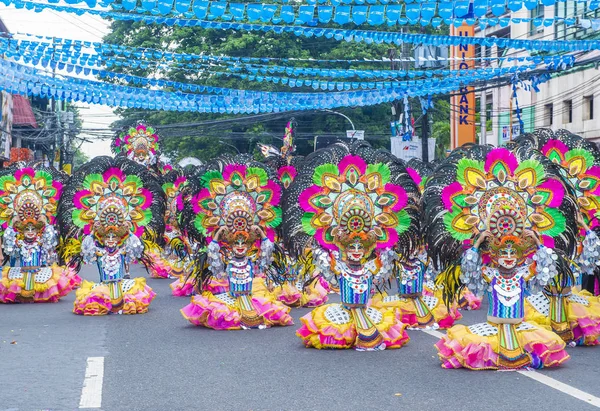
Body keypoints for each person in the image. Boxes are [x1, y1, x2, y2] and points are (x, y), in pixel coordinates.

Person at [427, 144, 575, 369]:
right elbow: (470, 270)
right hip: (493, 329)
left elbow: (546, 271)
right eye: (503, 253)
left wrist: (536, 241)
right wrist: (477, 242)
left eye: (512, 253)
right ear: (494, 257)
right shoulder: (489, 273)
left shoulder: (524, 274)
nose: (508, 258)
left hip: (519, 328)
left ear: (520, 256)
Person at [284, 141, 420, 350]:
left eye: (360, 247)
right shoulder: (337, 265)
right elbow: (322, 255)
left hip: (367, 310)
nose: (356, 252)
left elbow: (386, 260)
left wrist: (384, 244)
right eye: (351, 247)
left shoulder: (371, 266)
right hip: (343, 313)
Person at [180, 156, 293, 329]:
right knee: (218, 311)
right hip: (230, 298)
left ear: (249, 245)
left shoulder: (253, 263)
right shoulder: (227, 260)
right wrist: (216, 236)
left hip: (251, 298)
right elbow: (215, 264)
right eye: (236, 244)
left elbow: (266, 257)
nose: (240, 247)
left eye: (244, 244)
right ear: (230, 245)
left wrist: (262, 234)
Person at [58, 156, 166, 315]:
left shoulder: (123, 247)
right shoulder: (97, 249)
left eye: (113, 237)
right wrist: (93, 232)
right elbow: (86, 253)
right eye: (107, 237)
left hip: (122, 285)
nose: (110, 241)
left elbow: (135, 251)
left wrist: (128, 232)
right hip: (102, 287)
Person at [0, 164, 80, 303]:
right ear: (21, 230)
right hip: (21, 273)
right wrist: (12, 225)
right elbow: (10, 249)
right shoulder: (19, 241)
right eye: (27, 229)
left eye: (33, 229)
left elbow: (50, 243)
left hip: (39, 273)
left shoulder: (41, 239)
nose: (30, 233)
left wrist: (46, 223)